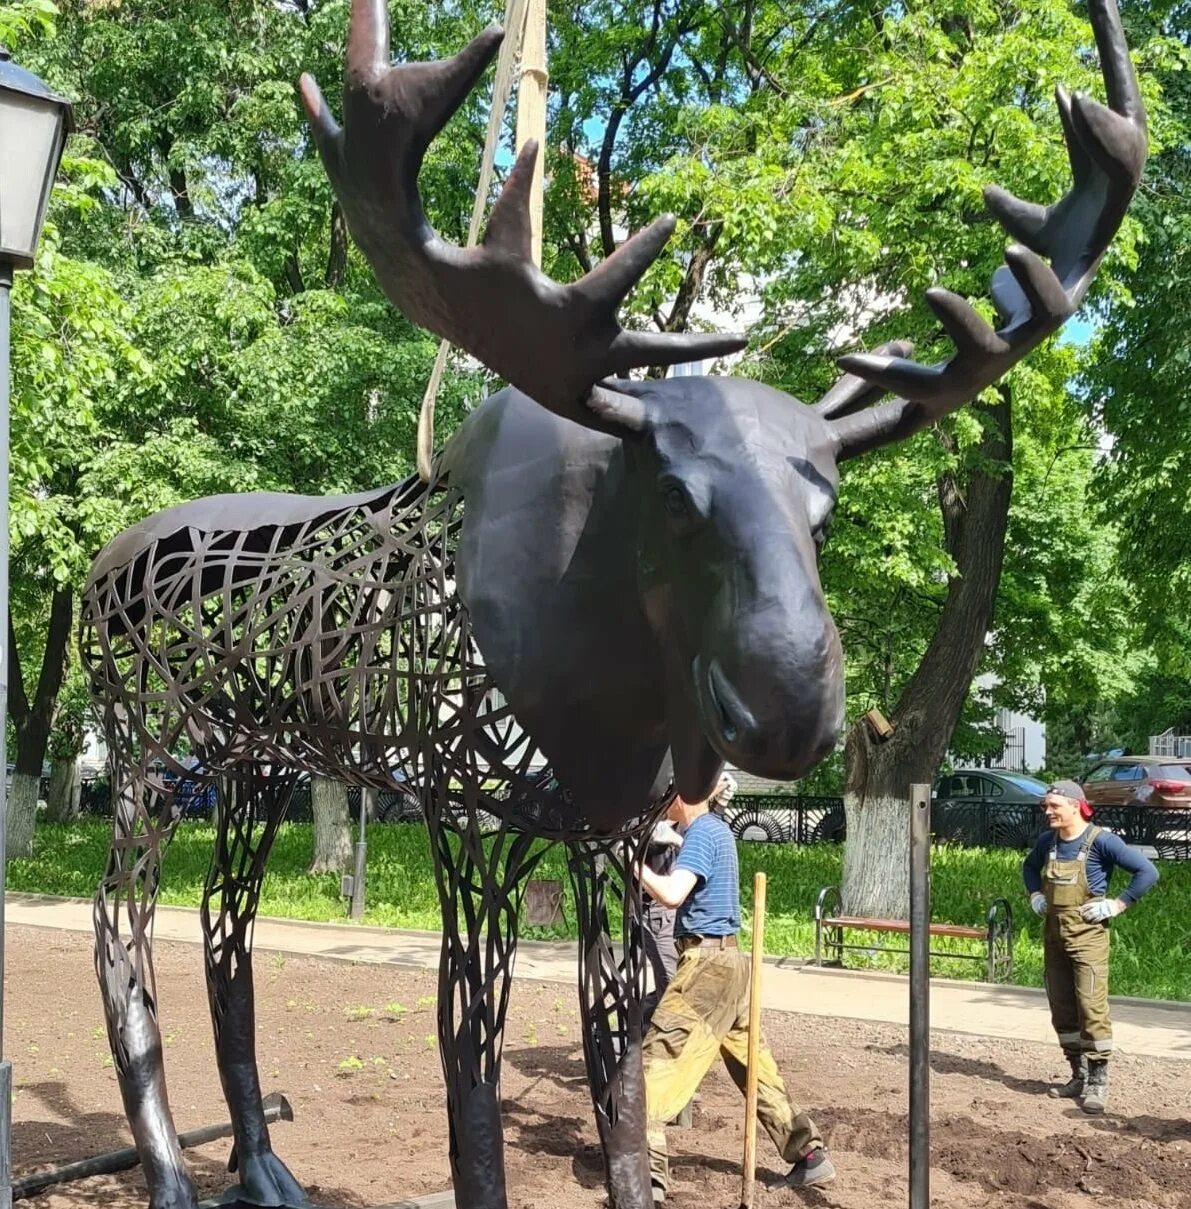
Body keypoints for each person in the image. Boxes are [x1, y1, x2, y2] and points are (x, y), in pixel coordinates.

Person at [632, 785, 833, 1203]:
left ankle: (644, 1179)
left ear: (682, 796)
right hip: (732, 963)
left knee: (653, 1069)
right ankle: (809, 1153)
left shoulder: (703, 831)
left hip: (707, 968)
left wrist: (633, 864)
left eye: (667, 793)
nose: (662, 800)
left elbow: (671, 896)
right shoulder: (715, 830)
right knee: (755, 1069)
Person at [1022, 778, 1158, 1115]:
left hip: (1088, 938)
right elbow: (1028, 867)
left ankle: (1098, 1081)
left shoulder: (1101, 842)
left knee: (1091, 1006)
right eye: (1046, 806)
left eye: (1054, 806)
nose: (1048, 811)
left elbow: (1147, 871)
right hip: (1054, 936)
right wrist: (1035, 894)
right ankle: (1078, 1075)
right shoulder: (1047, 843)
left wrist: (1117, 904)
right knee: (1063, 1007)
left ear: (1074, 805)